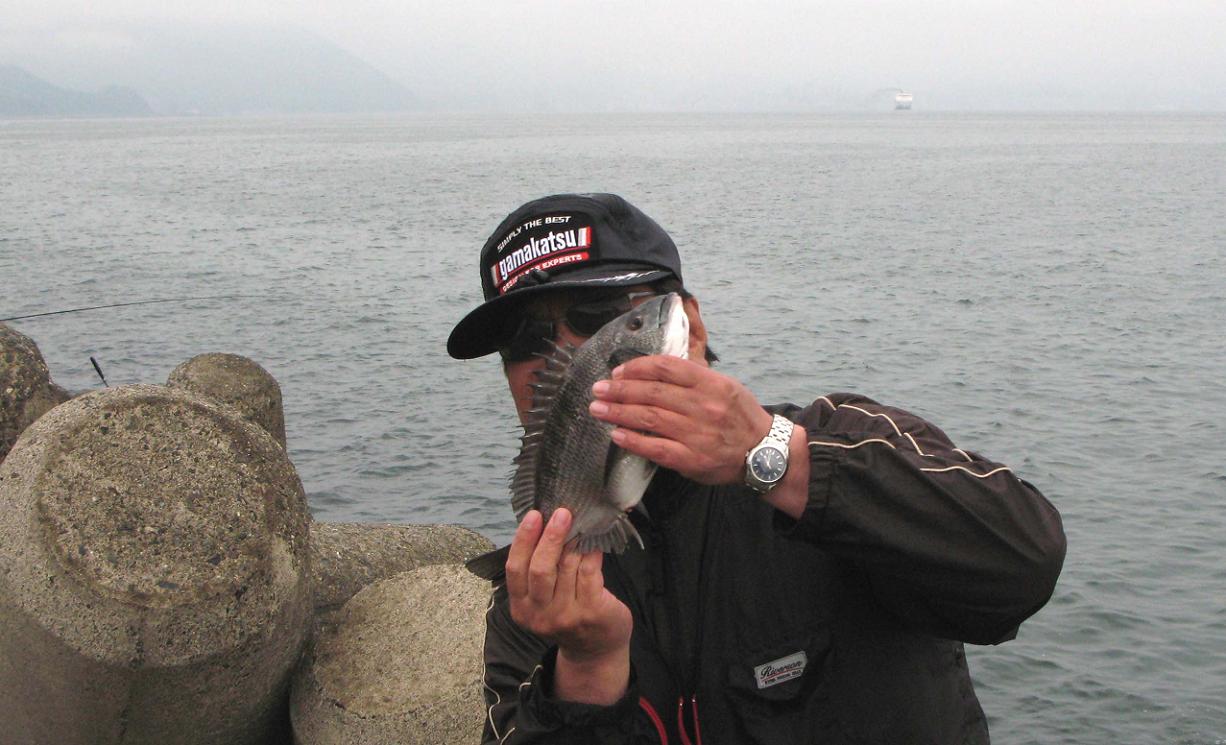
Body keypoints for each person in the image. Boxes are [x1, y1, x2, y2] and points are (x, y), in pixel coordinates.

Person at [447, 193, 1066, 744]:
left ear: (690, 327)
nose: (562, 351)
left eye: (595, 315)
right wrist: (587, 667)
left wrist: (778, 460)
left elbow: (1022, 567)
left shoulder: (844, 439)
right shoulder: (534, 598)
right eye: (524, 341)